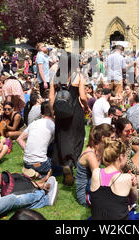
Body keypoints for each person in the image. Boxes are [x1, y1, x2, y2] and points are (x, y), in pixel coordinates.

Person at [49, 52, 87, 186]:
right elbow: (82, 97)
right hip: (75, 111)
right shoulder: (78, 76)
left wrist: (54, 111)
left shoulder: (56, 77)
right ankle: (70, 163)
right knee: (77, 137)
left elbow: (51, 97)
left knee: (63, 138)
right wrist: (87, 107)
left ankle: (65, 163)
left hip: (60, 112)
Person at [89, 138, 138, 220]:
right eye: (126, 156)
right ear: (121, 157)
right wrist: (135, 185)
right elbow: (133, 200)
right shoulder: (127, 178)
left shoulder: (96, 172)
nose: (127, 159)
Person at [76, 124, 115, 207]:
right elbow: (99, 177)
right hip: (85, 195)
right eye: (112, 138)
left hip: (92, 187)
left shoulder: (100, 150)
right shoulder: (90, 155)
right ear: (103, 138)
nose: (114, 140)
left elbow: (112, 166)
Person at [17, 101, 55, 178]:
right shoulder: (52, 125)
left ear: (41, 112)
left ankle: (32, 171)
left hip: (26, 163)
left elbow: (19, 139)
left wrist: (28, 150)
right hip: (40, 163)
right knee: (59, 168)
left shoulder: (33, 123)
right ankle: (40, 175)